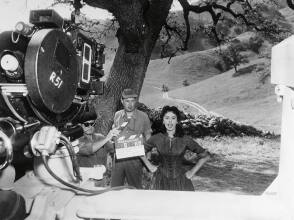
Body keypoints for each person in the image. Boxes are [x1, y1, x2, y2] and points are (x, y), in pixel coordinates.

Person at [145, 105, 211, 191]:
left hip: (181, 181)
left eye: (173, 118)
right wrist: (150, 166)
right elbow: (139, 151)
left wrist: (191, 172)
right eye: (167, 118)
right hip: (160, 180)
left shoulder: (185, 139)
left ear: (177, 121)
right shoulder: (157, 138)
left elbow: (205, 156)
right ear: (163, 121)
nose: (170, 122)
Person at [110, 88, 156, 189]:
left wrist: (148, 158)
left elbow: (148, 137)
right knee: (114, 188)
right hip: (119, 158)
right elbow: (114, 135)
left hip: (136, 159)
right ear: (122, 101)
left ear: (135, 101)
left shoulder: (143, 116)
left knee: (135, 188)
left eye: (132, 101)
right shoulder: (117, 115)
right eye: (127, 101)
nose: (130, 104)